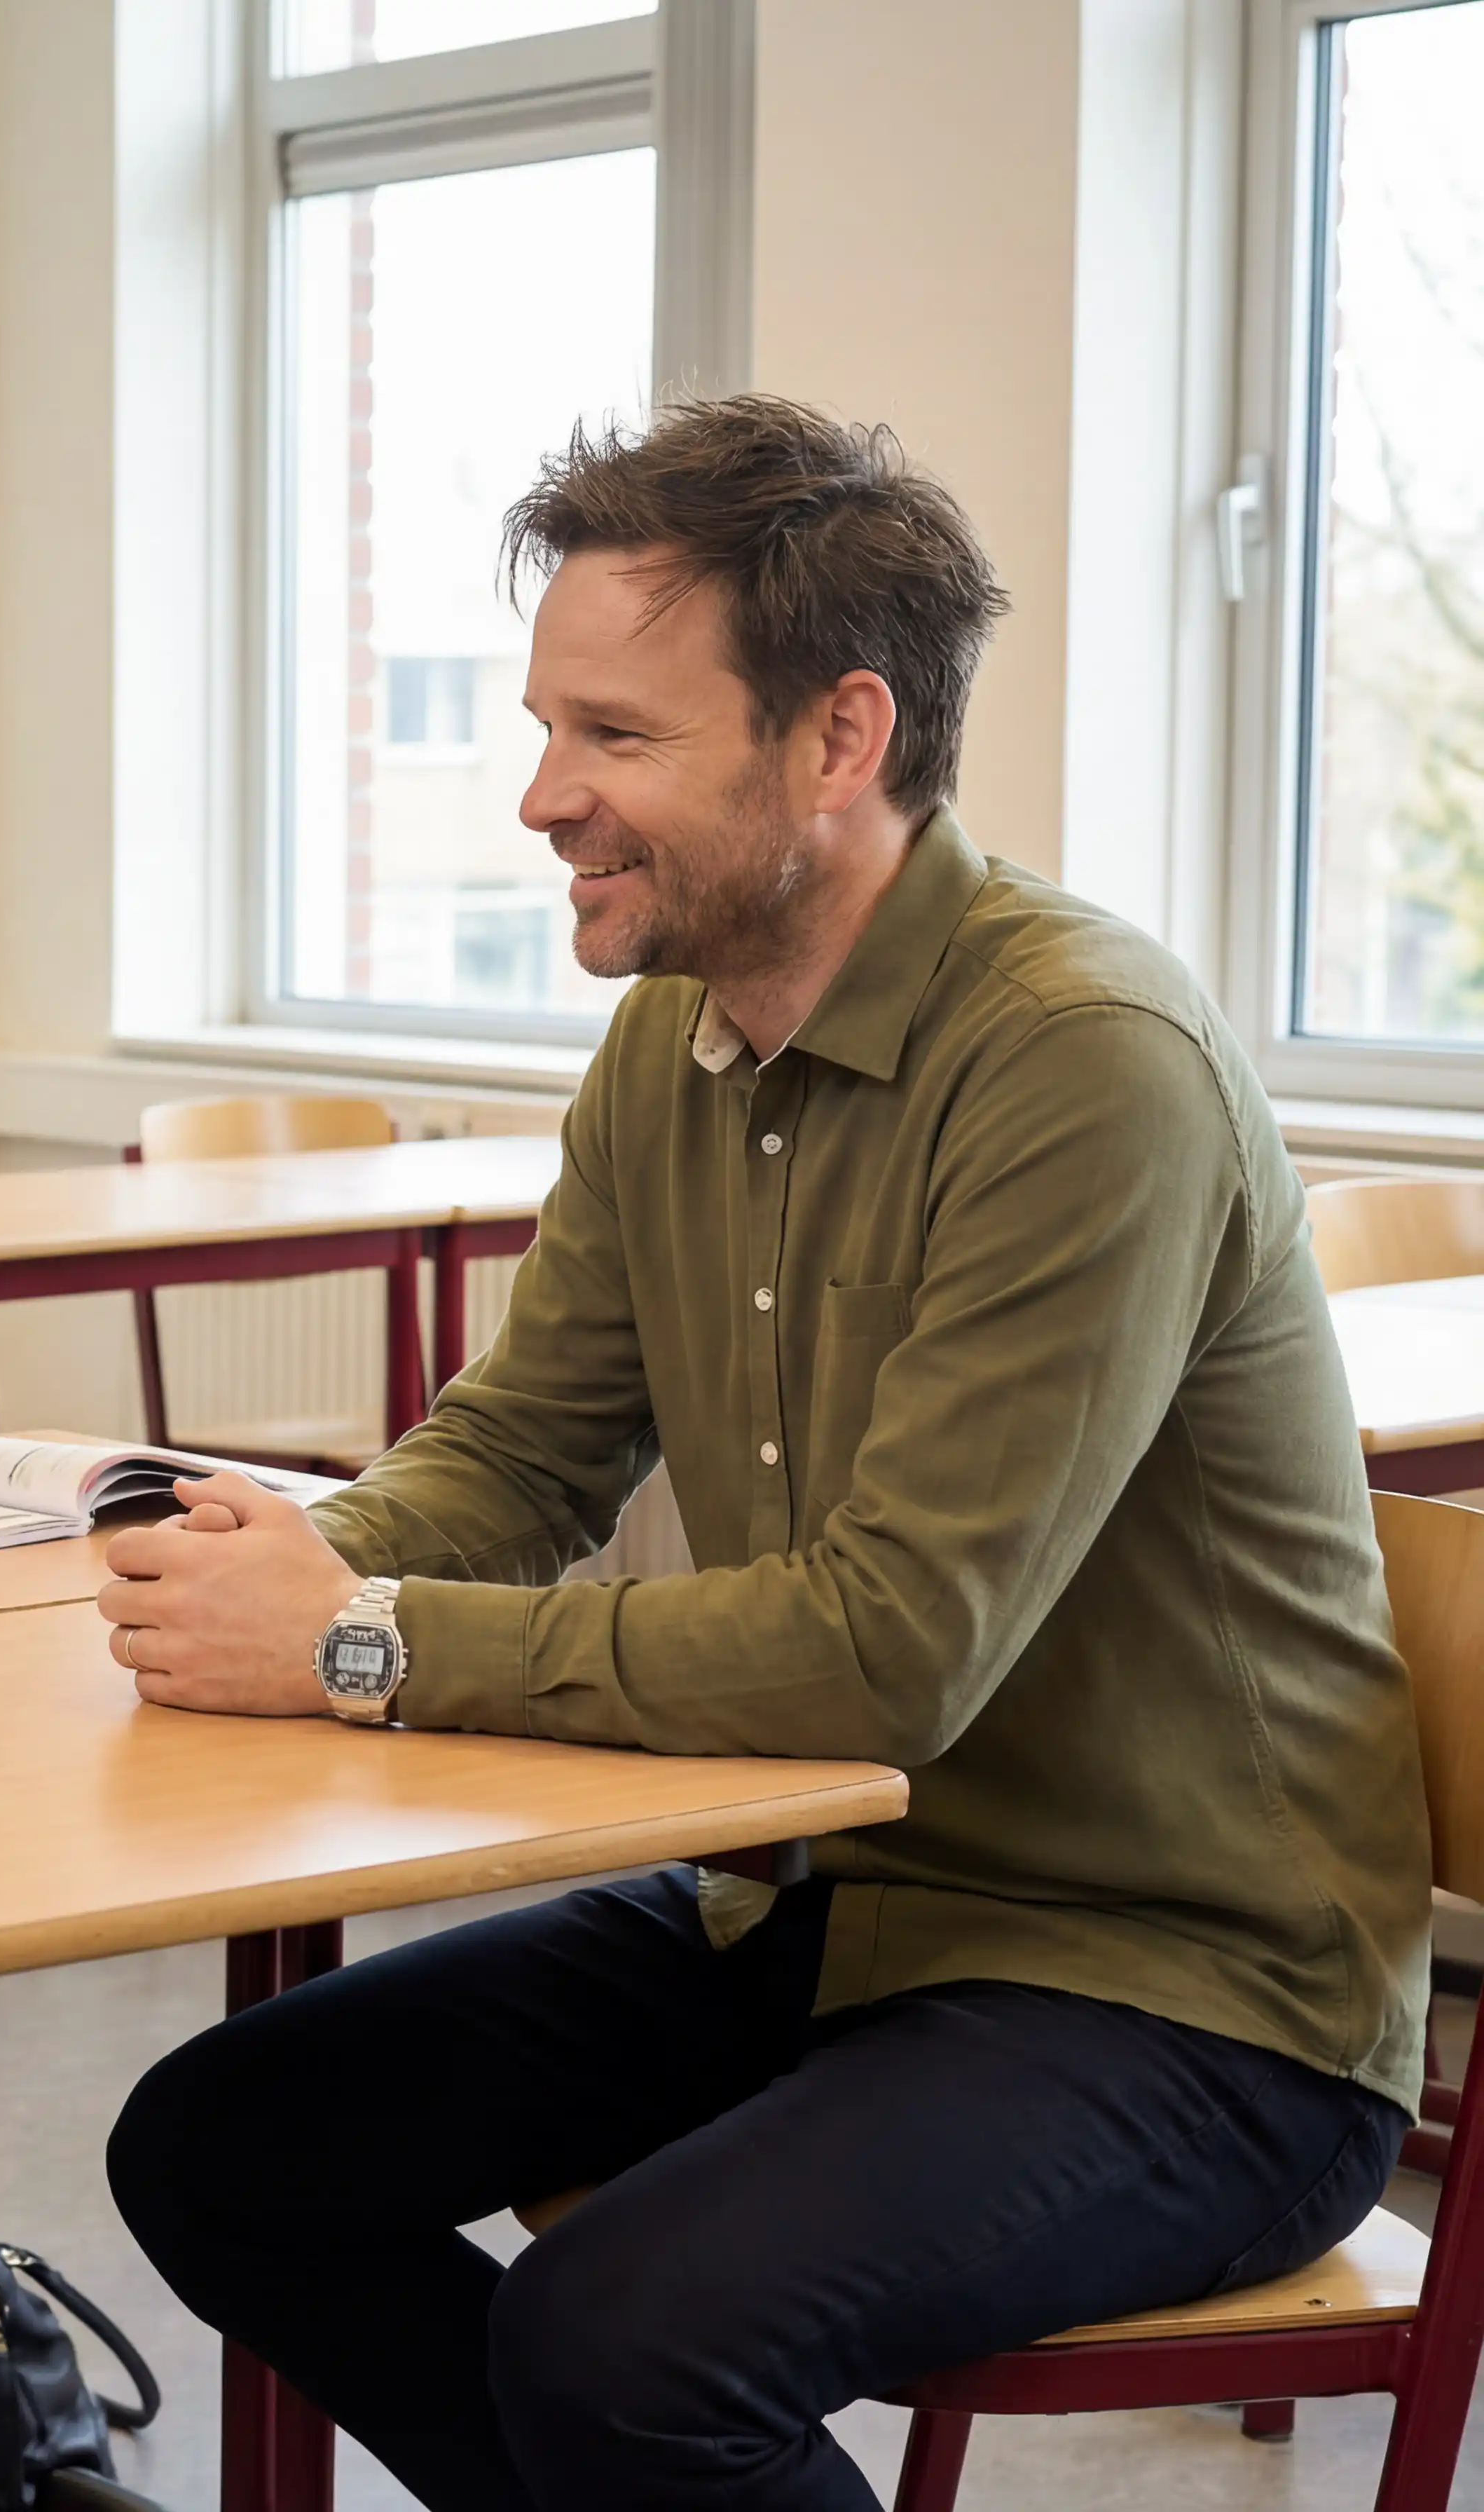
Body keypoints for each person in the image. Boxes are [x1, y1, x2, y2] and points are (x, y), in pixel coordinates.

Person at [95, 397, 1431, 2512]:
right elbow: (526, 1452)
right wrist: (281, 1554)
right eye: (547, 728)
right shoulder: (675, 1039)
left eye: (615, 737)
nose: (544, 797)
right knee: (220, 2152)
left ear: (838, 740)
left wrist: (357, 1647)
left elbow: (891, 1652)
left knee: (622, 2343)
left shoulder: (1086, 1065)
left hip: (1181, 1991)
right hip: (832, 1906)